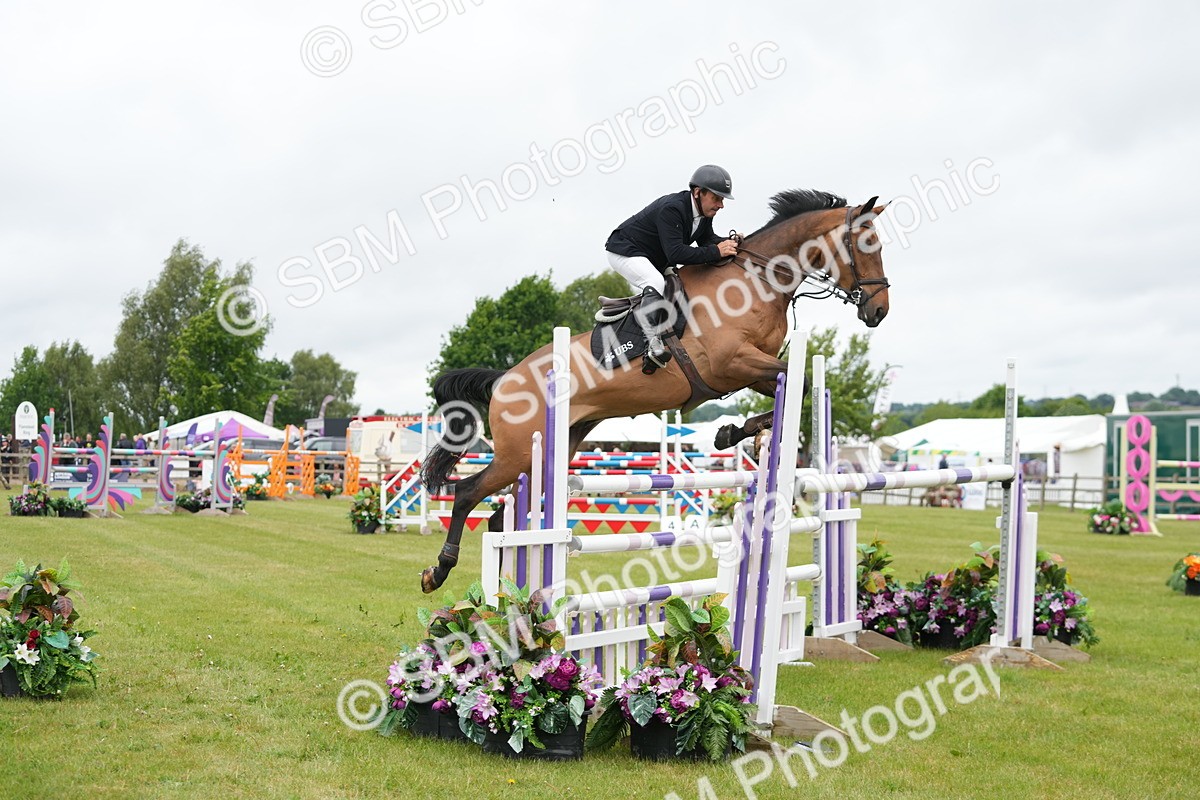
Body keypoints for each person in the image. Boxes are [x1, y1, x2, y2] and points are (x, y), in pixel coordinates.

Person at [605, 165, 739, 368]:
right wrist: (716, 251)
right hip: (624, 250)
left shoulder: (702, 213)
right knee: (655, 282)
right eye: (717, 198)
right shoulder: (673, 208)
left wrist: (733, 242)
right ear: (697, 192)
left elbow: (707, 241)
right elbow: (676, 253)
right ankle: (652, 346)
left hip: (654, 257)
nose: (721, 205)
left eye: (722, 199)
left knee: (679, 283)